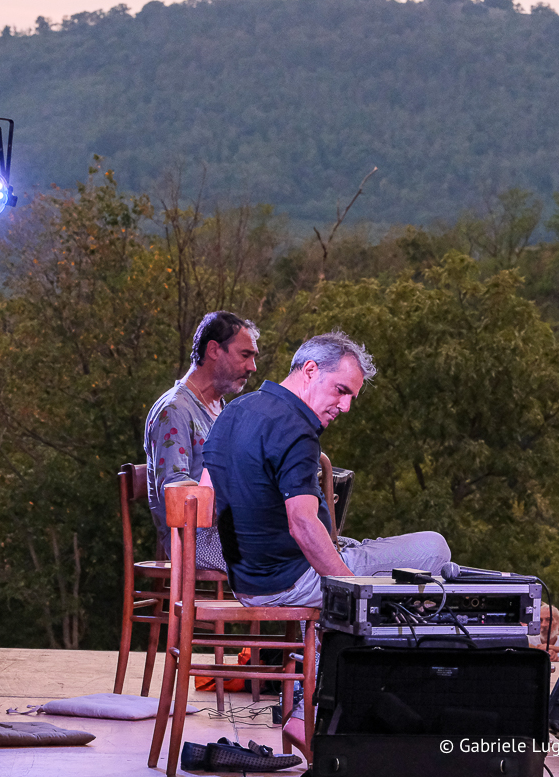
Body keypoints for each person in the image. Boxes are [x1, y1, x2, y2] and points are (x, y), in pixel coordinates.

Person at [201, 330, 450, 744]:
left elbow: (208, 502)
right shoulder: (296, 429)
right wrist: (351, 591)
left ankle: (318, 696)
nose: (346, 406)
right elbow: (301, 524)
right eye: (340, 390)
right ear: (309, 370)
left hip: (247, 580)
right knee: (432, 549)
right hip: (289, 581)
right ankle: (322, 708)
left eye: (352, 396)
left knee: (358, 558)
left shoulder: (233, 412)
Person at [145, 311, 259, 570]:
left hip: (229, 534)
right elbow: (178, 495)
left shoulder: (221, 408)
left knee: (324, 541)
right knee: (298, 550)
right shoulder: (174, 410)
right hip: (194, 543)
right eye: (245, 355)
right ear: (214, 350)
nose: (253, 367)